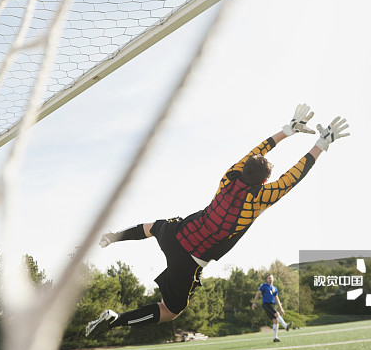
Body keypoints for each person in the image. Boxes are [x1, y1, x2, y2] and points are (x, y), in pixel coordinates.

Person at [85, 104, 349, 337]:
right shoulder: (261, 197)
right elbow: (294, 176)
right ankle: (116, 320)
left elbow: (258, 151)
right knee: (171, 310)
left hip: (178, 232)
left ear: (245, 168)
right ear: (265, 180)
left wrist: (287, 131)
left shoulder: (229, 176)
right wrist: (322, 143)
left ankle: (113, 237)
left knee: (152, 228)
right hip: (191, 258)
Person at [252, 273, 290, 342]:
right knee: (277, 314)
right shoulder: (264, 286)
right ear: (267, 279)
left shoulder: (274, 288)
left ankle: (275, 338)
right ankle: (286, 326)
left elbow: (277, 299)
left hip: (272, 304)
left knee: (275, 320)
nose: (270, 279)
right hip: (266, 304)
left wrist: (281, 308)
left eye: (271, 278)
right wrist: (254, 302)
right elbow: (258, 293)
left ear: (273, 279)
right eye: (269, 278)